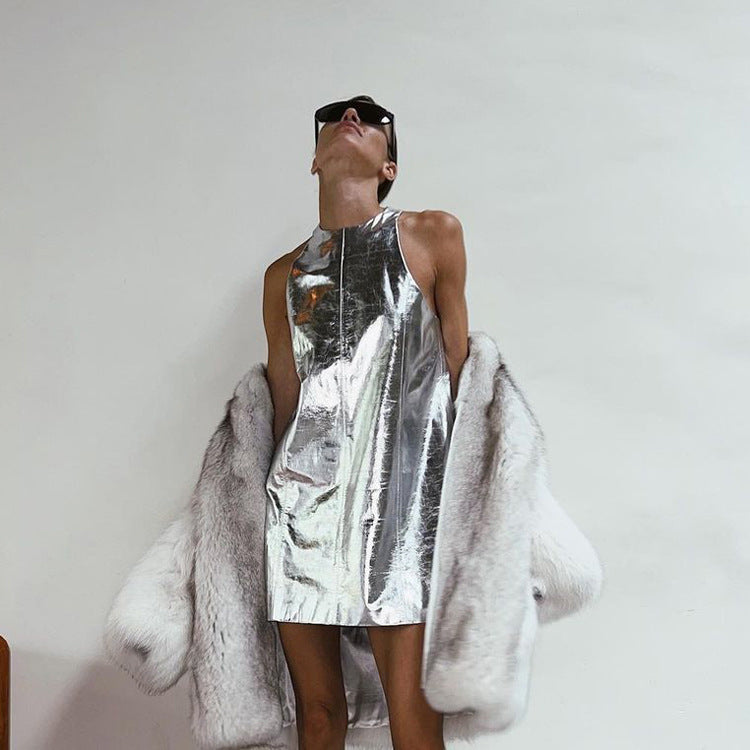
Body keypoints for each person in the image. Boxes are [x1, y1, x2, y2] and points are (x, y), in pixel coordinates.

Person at [261, 94, 469, 750]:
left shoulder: (432, 234)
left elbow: (461, 375)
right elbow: (286, 401)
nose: (352, 118)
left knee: (415, 721)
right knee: (319, 718)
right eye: (337, 116)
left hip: (401, 503)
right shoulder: (283, 276)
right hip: (302, 509)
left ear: (389, 168)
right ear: (315, 159)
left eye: (372, 118)